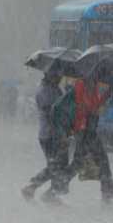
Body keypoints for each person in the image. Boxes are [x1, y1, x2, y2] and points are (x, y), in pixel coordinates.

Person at [63, 72, 113, 205]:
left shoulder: (93, 86)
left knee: (79, 163)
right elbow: (86, 108)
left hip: (88, 131)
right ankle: (107, 198)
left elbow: (95, 106)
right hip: (84, 131)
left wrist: (108, 93)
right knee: (101, 163)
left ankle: (55, 188)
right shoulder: (81, 85)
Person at [20, 71, 71, 205]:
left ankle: (48, 193)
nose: (60, 77)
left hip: (57, 134)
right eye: (57, 75)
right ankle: (33, 188)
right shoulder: (44, 90)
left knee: (60, 165)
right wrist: (62, 134)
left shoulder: (55, 88)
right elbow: (51, 113)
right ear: (49, 75)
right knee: (55, 166)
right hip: (50, 135)